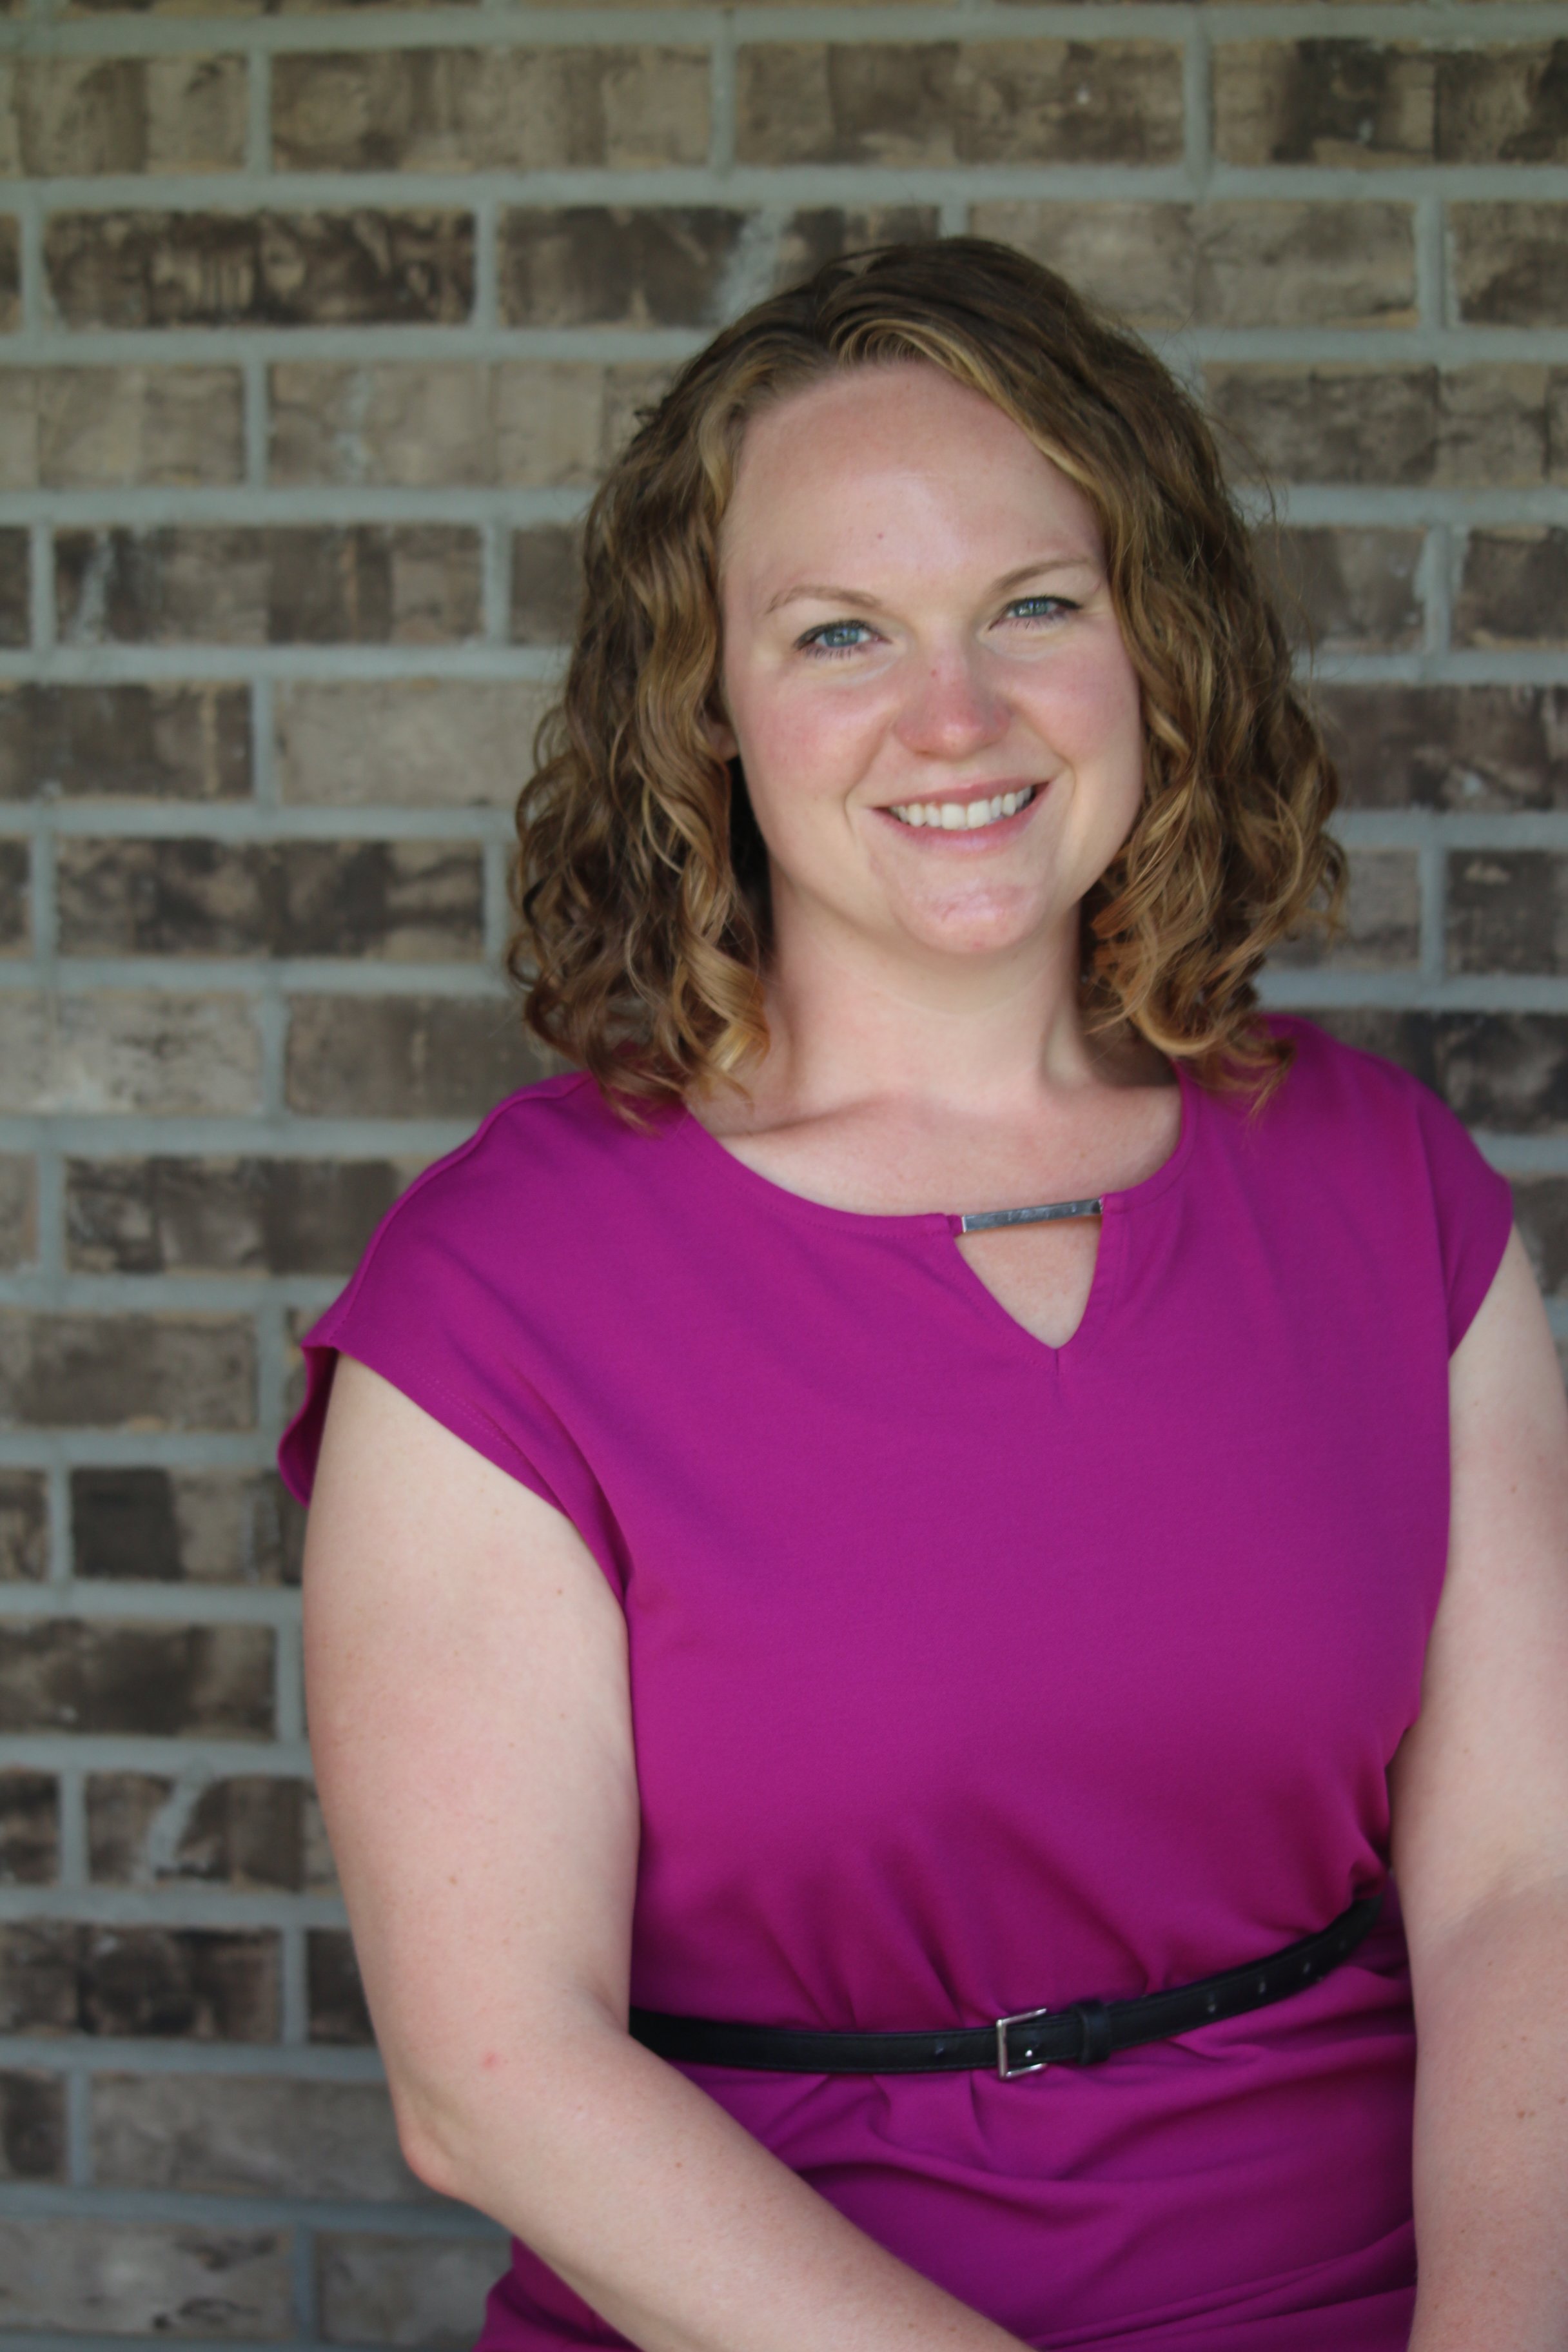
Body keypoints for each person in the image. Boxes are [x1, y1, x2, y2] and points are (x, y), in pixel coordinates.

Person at [279, 242, 1568, 2352]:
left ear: (1158, 647)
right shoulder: (502, 1302)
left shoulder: (1388, 1195)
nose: (952, 718)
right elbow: (493, 2078)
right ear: (706, 702)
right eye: (842, 632)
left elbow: (1530, 1885)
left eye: (1034, 608)